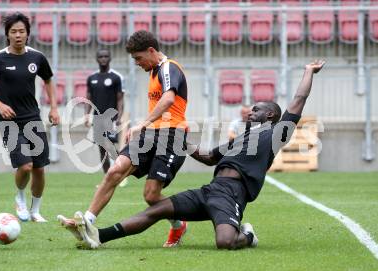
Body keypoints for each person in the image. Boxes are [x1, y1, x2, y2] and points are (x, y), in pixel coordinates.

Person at [58, 60, 325, 250]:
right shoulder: (240, 138)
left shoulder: (276, 134)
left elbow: (298, 100)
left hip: (232, 195)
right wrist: (183, 142)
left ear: (270, 115)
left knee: (224, 242)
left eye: (256, 109)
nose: (249, 111)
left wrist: (308, 72)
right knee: (157, 208)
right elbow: (208, 157)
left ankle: (247, 236)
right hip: (211, 189)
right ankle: (97, 237)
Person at [59, 30, 190, 247]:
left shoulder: (169, 67)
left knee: (151, 196)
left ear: (151, 51)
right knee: (115, 170)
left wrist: (142, 123)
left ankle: (179, 224)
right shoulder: (154, 71)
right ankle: (86, 222)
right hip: (150, 135)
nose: (137, 63)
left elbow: (168, 99)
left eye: (138, 58)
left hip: (172, 137)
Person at [0, 12, 60, 223]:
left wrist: (53, 108)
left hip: (33, 119)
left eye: (21, 31)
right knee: (25, 166)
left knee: (40, 169)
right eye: (13, 31)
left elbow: (49, 80)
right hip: (9, 122)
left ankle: (35, 211)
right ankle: (20, 198)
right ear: (7, 35)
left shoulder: (37, 57)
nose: (17, 35)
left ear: (28, 34)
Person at [84, 49, 128, 188]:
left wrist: (119, 117)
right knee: (102, 149)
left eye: (106, 56)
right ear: (97, 59)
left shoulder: (116, 77)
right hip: (97, 119)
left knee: (111, 147)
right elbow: (89, 97)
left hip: (111, 118)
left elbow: (120, 99)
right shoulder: (92, 78)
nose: (103, 58)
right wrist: (87, 115)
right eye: (100, 56)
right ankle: (107, 180)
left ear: (110, 58)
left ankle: (119, 175)